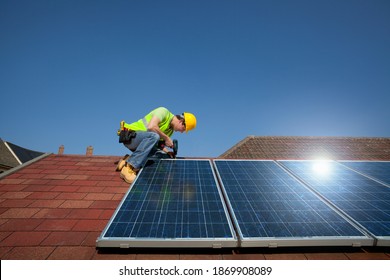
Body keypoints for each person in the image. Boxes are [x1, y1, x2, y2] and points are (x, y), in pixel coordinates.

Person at [116, 107, 197, 184]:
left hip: (141, 145)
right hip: (130, 136)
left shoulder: (170, 130)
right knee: (154, 136)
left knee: (164, 156)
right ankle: (129, 167)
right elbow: (151, 127)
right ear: (181, 122)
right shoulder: (164, 112)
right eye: (183, 129)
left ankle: (128, 159)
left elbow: (158, 145)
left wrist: (168, 152)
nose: (182, 132)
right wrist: (166, 138)